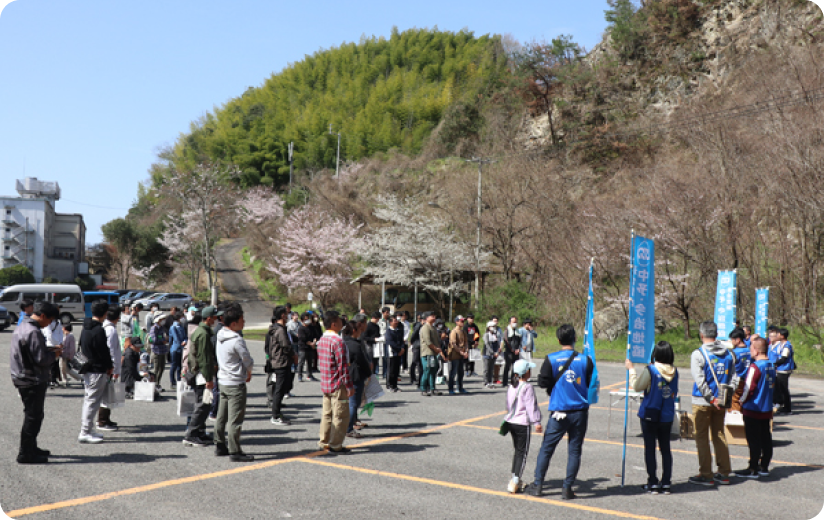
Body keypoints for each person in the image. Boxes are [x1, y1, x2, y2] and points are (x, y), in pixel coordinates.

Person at [526, 324, 593, 499]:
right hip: (579, 410)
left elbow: (542, 382)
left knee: (547, 449)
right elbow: (589, 382)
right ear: (575, 339)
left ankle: (538, 485)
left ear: (558, 340)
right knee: (574, 450)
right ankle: (567, 488)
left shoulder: (551, 358)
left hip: (559, 410)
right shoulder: (586, 360)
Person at [10, 301, 61, 463]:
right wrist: (55, 355)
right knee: (33, 417)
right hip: (31, 379)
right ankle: (25, 453)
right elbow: (41, 359)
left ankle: (31, 447)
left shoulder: (23, 326)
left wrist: (49, 350)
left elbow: (32, 352)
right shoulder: (33, 331)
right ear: (43, 316)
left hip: (22, 376)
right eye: (50, 320)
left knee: (33, 414)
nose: (50, 324)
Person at [626, 341, 679, 495]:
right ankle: (667, 482)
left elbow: (636, 386)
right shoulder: (675, 371)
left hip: (650, 413)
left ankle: (653, 482)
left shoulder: (651, 370)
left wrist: (631, 370)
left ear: (655, 354)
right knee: (666, 450)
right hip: (667, 414)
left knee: (650, 449)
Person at [689, 321, 737, 486]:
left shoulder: (698, 354)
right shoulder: (729, 354)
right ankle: (724, 472)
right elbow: (735, 377)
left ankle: (706, 474)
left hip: (703, 401)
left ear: (701, 335)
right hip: (722, 401)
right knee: (719, 435)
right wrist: (725, 395)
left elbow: (700, 381)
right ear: (716, 334)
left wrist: (711, 398)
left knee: (701, 437)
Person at [214, 305, 254, 462]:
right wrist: (249, 371)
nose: (244, 322)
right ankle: (235, 450)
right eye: (241, 320)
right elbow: (247, 360)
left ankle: (219, 444)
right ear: (234, 323)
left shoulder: (220, 334)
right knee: (235, 419)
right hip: (235, 382)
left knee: (221, 416)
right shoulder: (237, 340)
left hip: (223, 379)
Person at [736, 337, 776, 479]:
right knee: (766, 438)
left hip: (753, 408)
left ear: (757, 351)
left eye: (751, 348)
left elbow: (748, 388)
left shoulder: (755, 367)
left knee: (753, 440)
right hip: (766, 408)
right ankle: (764, 466)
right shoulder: (771, 365)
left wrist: (741, 401)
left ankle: (753, 467)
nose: (750, 350)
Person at [182, 306, 221, 448]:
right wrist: (209, 378)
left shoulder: (200, 331)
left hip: (198, 373)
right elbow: (204, 358)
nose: (216, 320)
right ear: (209, 318)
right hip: (202, 375)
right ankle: (191, 434)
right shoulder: (203, 334)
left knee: (203, 404)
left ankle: (199, 432)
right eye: (215, 317)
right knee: (202, 405)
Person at [317, 310, 355, 453]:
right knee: (340, 415)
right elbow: (343, 366)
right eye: (339, 321)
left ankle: (324, 440)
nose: (341, 323)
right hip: (338, 384)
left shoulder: (322, 339)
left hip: (326, 382)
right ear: (334, 324)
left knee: (327, 414)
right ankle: (335, 444)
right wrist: (349, 386)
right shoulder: (337, 341)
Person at [78, 300, 114, 444]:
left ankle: (88, 429)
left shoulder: (85, 327)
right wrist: (109, 366)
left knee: (90, 399)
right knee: (92, 402)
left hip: (87, 368)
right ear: (105, 313)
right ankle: (85, 431)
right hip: (97, 369)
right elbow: (103, 352)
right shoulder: (99, 330)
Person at [505, 359, 543, 494]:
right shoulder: (527, 387)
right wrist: (537, 422)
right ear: (526, 372)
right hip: (522, 423)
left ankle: (514, 476)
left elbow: (508, 404)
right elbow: (531, 406)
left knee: (517, 450)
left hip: (511, 421)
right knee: (522, 452)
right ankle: (515, 481)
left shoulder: (511, 386)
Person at [268, 305, 297, 426]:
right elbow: (286, 346)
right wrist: (294, 356)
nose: (288, 316)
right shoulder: (279, 330)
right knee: (279, 390)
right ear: (282, 315)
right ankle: (275, 415)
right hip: (281, 362)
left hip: (279, 361)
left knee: (281, 388)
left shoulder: (277, 328)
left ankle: (277, 412)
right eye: (286, 314)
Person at [344, 314, 372, 438]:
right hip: (355, 375)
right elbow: (362, 361)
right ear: (354, 330)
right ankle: (349, 428)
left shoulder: (344, 342)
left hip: (348, 375)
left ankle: (349, 425)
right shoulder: (354, 345)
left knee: (350, 402)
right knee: (353, 403)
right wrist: (369, 374)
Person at [97, 306, 122, 432]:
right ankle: (102, 420)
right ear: (118, 317)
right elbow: (112, 351)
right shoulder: (111, 330)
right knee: (107, 395)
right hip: (110, 368)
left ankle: (106, 418)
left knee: (108, 394)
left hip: (108, 367)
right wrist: (114, 368)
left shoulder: (105, 327)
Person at [419, 312, 444, 396]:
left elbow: (437, 341)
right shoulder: (425, 328)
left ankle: (433, 388)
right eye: (432, 316)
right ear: (426, 318)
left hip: (433, 353)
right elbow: (428, 342)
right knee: (427, 370)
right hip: (427, 353)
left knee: (433, 370)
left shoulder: (433, 327)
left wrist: (439, 349)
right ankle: (423, 389)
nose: (434, 317)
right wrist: (436, 348)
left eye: (435, 315)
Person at [770, 328, 795, 415]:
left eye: (778, 334)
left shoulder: (787, 346)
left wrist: (774, 363)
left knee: (784, 389)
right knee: (780, 388)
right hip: (780, 368)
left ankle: (788, 408)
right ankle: (783, 406)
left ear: (782, 336)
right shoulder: (781, 344)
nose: (777, 336)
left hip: (784, 369)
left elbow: (784, 358)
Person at [447, 315, 469, 394]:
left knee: (461, 372)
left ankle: (460, 387)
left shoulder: (463, 332)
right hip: (455, 354)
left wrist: (466, 351)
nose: (462, 322)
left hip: (462, 354)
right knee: (453, 372)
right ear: (456, 322)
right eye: (461, 321)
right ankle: (451, 389)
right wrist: (461, 352)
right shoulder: (454, 332)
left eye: (463, 321)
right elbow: (453, 344)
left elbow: (466, 342)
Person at [148, 313, 169, 392]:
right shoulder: (154, 328)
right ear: (158, 320)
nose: (163, 320)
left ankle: (158, 383)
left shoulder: (161, 328)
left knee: (162, 368)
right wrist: (162, 341)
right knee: (156, 369)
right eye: (162, 319)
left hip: (163, 350)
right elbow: (153, 340)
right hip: (156, 350)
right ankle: (154, 385)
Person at [42, 315, 64, 388]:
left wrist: (56, 344)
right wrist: (59, 343)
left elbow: (49, 334)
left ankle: (51, 379)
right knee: (54, 364)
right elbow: (60, 333)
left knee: (52, 364)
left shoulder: (51, 321)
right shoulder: (57, 322)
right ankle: (52, 379)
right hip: (54, 345)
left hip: (50, 344)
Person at [384, 316, 405, 392]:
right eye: (394, 321)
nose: (396, 322)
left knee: (396, 370)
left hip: (399, 353)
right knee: (391, 370)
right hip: (392, 353)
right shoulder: (388, 331)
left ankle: (395, 385)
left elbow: (402, 340)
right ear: (390, 322)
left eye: (396, 321)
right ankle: (389, 385)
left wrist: (402, 348)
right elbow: (391, 342)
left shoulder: (398, 330)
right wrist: (399, 349)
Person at [297, 312, 318, 382]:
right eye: (306, 319)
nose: (307, 320)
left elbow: (315, 335)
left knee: (310, 362)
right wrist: (311, 344)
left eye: (308, 319)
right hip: (303, 348)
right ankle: (300, 375)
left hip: (310, 347)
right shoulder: (301, 328)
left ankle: (309, 375)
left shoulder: (311, 327)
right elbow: (303, 339)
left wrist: (314, 342)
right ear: (302, 320)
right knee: (301, 362)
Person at [169, 312, 187, 390]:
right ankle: (173, 382)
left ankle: (179, 381)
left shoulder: (181, 326)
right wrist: (181, 343)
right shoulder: (173, 327)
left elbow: (185, 336)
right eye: (182, 317)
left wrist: (185, 341)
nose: (183, 319)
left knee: (179, 366)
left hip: (181, 349)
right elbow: (175, 339)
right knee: (174, 366)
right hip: (175, 349)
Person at [502, 316, 521, 387]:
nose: (515, 323)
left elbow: (520, 341)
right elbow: (506, 340)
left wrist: (518, 349)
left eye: (516, 322)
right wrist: (512, 349)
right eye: (513, 322)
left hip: (516, 352)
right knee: (507, 367)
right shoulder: (507, 330)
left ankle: (513, 382)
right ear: (510, 322)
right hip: (509, 352)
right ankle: (505, 382)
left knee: (515, 368)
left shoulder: (518, 330)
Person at [362, 311, 382, 376]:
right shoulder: (368, 325)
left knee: (376, 361)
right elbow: (364, 337)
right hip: (369, 345)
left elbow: (378, 335)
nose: (377, 321)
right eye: (377, 319)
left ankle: (374, 374)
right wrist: (373, 339)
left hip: (377, 345)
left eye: (378, 319)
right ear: (373, 317)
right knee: (370, 361)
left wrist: (380, 338)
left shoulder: (377, 326)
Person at [483, 323, 501, 388]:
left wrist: (497, 351)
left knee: (491, 369)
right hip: (487, 354)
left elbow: (497, 343)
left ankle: (490, 381)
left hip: (494, 354)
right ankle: (486, 382)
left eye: (494, 326)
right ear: (488, 327)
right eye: (492, 326)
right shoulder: (486, 335)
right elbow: (487, 345)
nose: (493, 327)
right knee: (486, 369)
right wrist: (493, 352)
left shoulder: (495, 335)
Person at [408, 313, 423, 385]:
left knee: (419, 363)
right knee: (415, 362)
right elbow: (414, 334)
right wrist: (412, 342)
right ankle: (413, 378)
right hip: (417, 345)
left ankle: (420, 379)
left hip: (420, 345)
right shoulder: (418, 325)